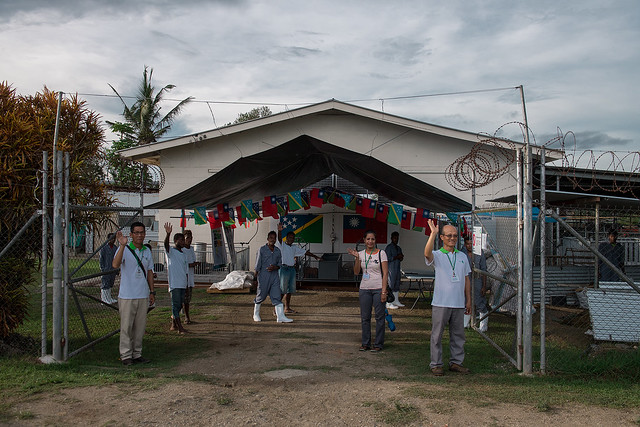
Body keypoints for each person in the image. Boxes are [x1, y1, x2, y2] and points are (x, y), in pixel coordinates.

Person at [424, 220, 471, 376]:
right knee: (437, 335)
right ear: (442, 237)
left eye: (455, 236)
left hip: (458, 303)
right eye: (449, 235)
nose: (452, 238)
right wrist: (432, 234)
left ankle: (456, 362)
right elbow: (426, 254)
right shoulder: (437, 255)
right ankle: (436, 364)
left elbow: (466, 279)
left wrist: (468, 300)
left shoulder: (462, 256)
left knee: (458, 335)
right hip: (441, 303)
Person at [112, 222, 155, 366]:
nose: (139, 235)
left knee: (140, 327)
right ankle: (125, 355)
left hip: (142, 295)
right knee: (126, 327)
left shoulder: (147, 251)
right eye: (136, 232)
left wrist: (152, 291)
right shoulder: (124, 249)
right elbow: (115, 265)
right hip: (127, 295)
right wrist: (122, 245)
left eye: (142, 232)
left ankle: (137, 354)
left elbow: (149, 272)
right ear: (131, 235)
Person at [347, 230, 389, 352]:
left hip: (378, 288)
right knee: (365, 317)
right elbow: (356, 272)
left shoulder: (381, 253)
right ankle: (366, 343)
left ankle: (378, 344)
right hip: (364, 288)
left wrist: (383, 292)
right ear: (364, 241)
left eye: (373, 239)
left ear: (375, 241)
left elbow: (385, 273)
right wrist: (356, 258)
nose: (370, 241)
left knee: (379, 317)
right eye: (368, 239)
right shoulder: (360, 254)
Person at [276, 223, 321, 314]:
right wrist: (279, 231)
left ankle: (287, 308)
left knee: (289, 290)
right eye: (289, 237)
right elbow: (279, 238)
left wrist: (315, 256)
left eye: (293, 238)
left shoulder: (294, 247)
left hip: (292, 269)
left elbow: (305, 252)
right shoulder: (282, 245)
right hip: (284, 269)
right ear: (286, 238)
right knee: (282, 289)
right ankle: (275, 309)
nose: (291, 239)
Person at [253, 231, 292, 323]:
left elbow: (280, 264)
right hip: (264, 275)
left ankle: (280, 316)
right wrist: (255, 278)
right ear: (267, 239)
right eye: (271, 237)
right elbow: (257, 264)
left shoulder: (278, 251)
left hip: (274, 276)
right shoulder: (262, 250)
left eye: (274, 238)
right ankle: (256, 314)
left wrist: (275, 267)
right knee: (261, 295)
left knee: (277, 295)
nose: (272, 240)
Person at [164, 222, 188, 334]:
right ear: (176, 241)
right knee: (175, 305)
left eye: (184, 240)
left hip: (182, 283)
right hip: (174, 284)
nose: (183, 242)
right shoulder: (171, 252)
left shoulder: (183, 254)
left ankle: (174, 323)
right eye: (181, 240)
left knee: (180, 305)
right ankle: (180, 327)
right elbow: (166, 245)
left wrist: (187, 284)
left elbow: (185, 271)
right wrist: (168, 234)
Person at [462, 235, 489, 332]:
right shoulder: (461, 253)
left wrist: (484, 286)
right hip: (465, 280)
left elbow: (484, 270)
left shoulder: (479, 253)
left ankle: (483, 325)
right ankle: (465, 324)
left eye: (471, 244)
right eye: (467, 244)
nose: (469, 246)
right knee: (465, 301)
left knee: (479, 302)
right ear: (464, 244)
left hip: (477, 280)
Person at [182, 230, 199, 324]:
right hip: (184, 277)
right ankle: (186, 317)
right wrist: (191, 265)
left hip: (190, 277)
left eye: (191, 237)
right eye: (187, 238)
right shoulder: (182, 250)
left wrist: (195, 264)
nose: (190, 240)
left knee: (188, 299)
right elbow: (183, 264)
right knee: (185, 299)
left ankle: (184, 314)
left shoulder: (191, 249)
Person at [384, 231, 405, 309]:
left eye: (397, 238)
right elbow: (386, 258)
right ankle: (388, 302)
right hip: (391, 268)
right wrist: (396, 257)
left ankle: (396, 300)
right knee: (391, 284)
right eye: (395, 238)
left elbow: (400, 258)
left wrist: (401, 257)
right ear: (391, 238)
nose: (396, 240)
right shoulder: (389, 247)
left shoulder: (398, 248)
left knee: (397, 283)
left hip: (397, 268)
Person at [99, 232, 119, 304]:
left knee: (110, 283)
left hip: (113, 269)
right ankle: (104, 299)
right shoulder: (104, 248)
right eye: (111, 238)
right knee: (105, 284)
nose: (113, 240)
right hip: (106, 269)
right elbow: (101, 259)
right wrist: (102, 269)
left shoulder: (115, 248)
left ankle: (109, 298)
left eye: (114, 238)